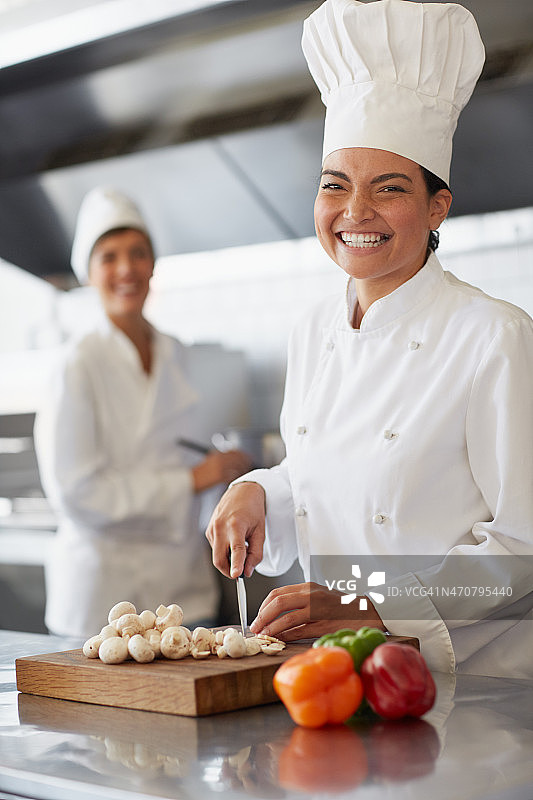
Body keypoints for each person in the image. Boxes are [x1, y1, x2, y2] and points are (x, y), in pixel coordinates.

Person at [206, 0, 533, 676]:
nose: (354, 213)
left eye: (388, 189)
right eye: (335, 187)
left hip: (468, 696)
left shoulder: (491, 336)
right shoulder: (310, 331)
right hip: (332, 676)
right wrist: (261, 489)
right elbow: (323, 474)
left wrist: (368, 606)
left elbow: (520, 547)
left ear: (435, 205)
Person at [35, 187, 252, 638]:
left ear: (153, 265)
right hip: (104, 597)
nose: (126, 269)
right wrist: (193, 480)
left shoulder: (178, 353)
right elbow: (77, 492)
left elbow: (190, 446)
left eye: (138, 253)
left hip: (183, 590)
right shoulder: (76, 364)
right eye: (109, 256)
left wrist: (228, 472)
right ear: (90, 273)